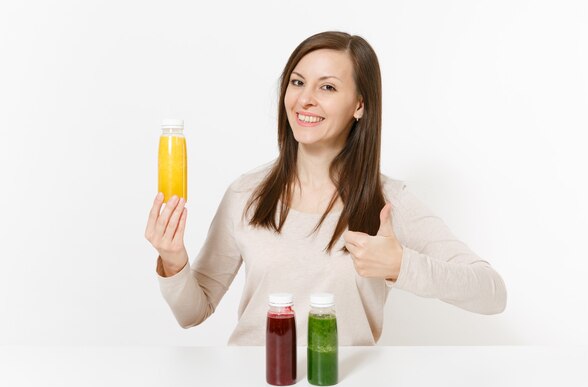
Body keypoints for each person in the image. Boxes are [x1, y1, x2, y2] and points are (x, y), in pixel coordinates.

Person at [144, 31, 507, 346]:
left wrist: (401, 265)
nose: (305, 99)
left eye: (328, 87)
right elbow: (193, 311)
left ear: (360, 105)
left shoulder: (388, 203)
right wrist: (173, 259)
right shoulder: (246, 194)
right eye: (298, 82)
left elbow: (491, 293)